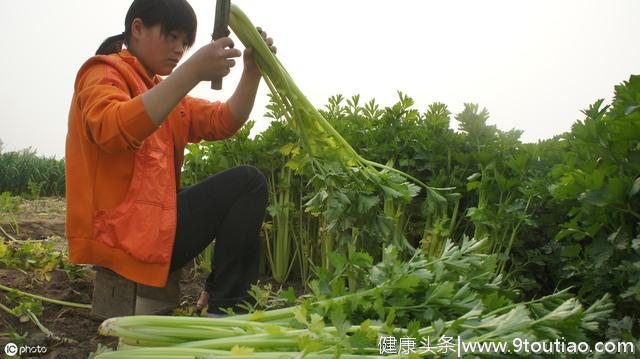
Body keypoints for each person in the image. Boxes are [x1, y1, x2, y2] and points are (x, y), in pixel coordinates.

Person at [65, 0, 276, 317]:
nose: (179, 49)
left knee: (247, 185)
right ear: (137, 29)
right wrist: (192, 73)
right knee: (248, 183)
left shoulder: (162, 91)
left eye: (185, 42)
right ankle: (226, 312)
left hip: (153, 232)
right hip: (119, 234)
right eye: (171, 36)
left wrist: (251, 74)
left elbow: (224, 119)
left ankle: (224, 301)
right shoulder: (103, 72)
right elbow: (111, 130)